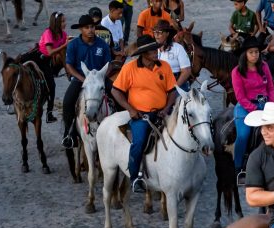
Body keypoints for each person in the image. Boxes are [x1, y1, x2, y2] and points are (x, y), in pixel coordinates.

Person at [111, 35, 178, 193]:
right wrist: (131, 110)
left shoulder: (165, 67)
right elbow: (116, 91)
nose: (156, 52)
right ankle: (135, 178)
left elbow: (172, 92)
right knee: (139, 142)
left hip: (162, 113)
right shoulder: (129, 68)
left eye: (156, 48)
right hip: (141, 116)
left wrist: (167, 108)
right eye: (152, 50)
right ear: (144, 53)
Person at [62, 14, 113, 149]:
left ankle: (122, 126)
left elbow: (109, 63)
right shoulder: (73, 45)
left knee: (117, 94)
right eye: (86, 27)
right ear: (81, 30)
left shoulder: (102, 44)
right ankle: (69, 133)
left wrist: (102, 77)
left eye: (92, 27)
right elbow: (69, 66)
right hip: (81, 79)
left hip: (99, 79)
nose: (90, 30)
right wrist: (82, 79)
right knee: (67, 102)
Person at [232, 36, 274, 185]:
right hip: (246, 107)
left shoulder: (264, 66)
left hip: (265, 104)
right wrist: (255, 109)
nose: (255, 55)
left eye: (257, 52)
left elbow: (270, 88)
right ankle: (238, 167)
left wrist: (271, 105)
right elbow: (240, 96)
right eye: (251, 52)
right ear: (245, 54)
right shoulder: (237, 71)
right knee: (243, 135)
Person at [37, 11, 69, 123]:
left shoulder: (63, 34)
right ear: (56, 23)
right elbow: (50, 52)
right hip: (42, 59)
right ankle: (49, 113)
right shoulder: (48, 33)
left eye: (65, 21)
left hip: (52, 60)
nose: (65, 23)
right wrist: (65, 45)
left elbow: (64, 51)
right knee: (52, 85)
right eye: (62, 21)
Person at [152, 19, 191, 90]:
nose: (156, 35)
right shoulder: (152, 49)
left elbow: (186, 71)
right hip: (158, 83)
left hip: (177, 82)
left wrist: (175, 87)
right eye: (155, 32)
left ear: (167, 33)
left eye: (160, 32)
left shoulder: (178, 48)